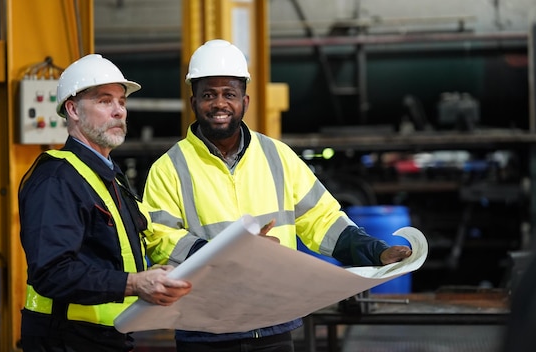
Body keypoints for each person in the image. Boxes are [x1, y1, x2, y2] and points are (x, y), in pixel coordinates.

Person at [142, 39, 412, 352]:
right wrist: (229, 253)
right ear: (193, 102)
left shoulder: (278, 156)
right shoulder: (169, 168)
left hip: (273, 325)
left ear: (245, 101)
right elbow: (160, 241)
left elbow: (321, 219)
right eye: (208, 95)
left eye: (228, 94)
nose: (219, 104)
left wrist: (374, 251)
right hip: (206, 328)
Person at [18, 54, 192, 352]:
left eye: (122, 102)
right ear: (72, 109)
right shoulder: (57, 179)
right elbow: (52, 273)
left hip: (106, 337)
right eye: (104, 101)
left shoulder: (109, 176)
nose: (119, 112)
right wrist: (135, 283)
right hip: (64, 340)